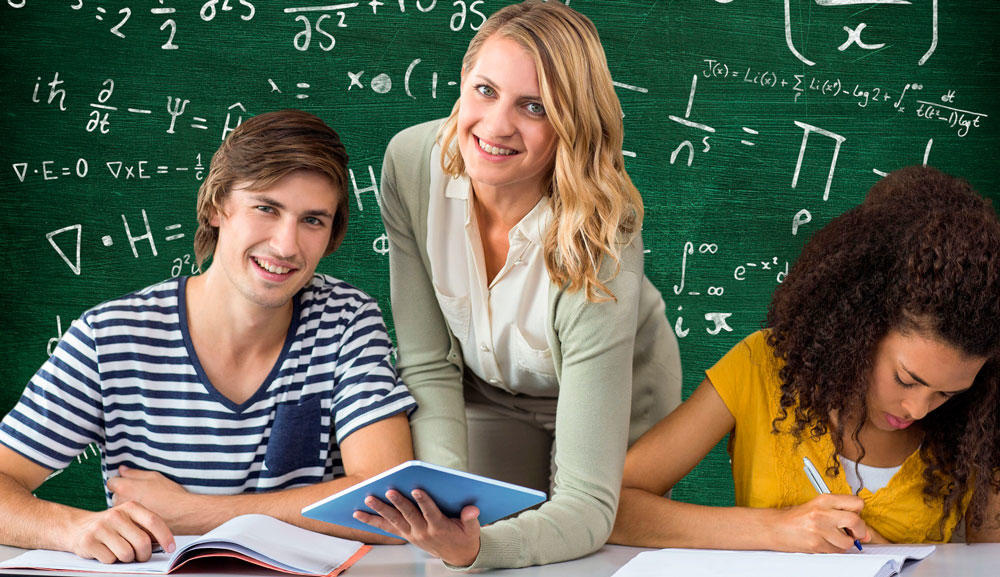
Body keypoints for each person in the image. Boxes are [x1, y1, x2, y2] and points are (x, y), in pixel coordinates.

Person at [0, 109, 417, 563]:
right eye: (266, 209)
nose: (286, 245)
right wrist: (71, 528)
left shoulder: (347, 320)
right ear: (218, 206)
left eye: (312, 220)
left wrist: (195, 513)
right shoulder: (110, 338)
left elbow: (389, 503)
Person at [360, 0, 682, 569]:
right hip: (488, 394)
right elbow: (429, 362)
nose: (496, 126)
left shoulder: (601, 237)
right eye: (485, 91)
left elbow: (587, 508)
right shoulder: (409, 164)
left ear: (571, 124)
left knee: (590, 553)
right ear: (463, 81)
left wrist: (477, 548)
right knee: (457, 543)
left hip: (617, 395)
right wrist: (442, 510)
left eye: (534, 107)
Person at [609, 165, 1000, 551]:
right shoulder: (761, 366)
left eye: (947, 394)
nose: (917, 409)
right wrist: (774, 529)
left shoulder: (981, 421)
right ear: (862, 325)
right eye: (906, 379)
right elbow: (608, 509)